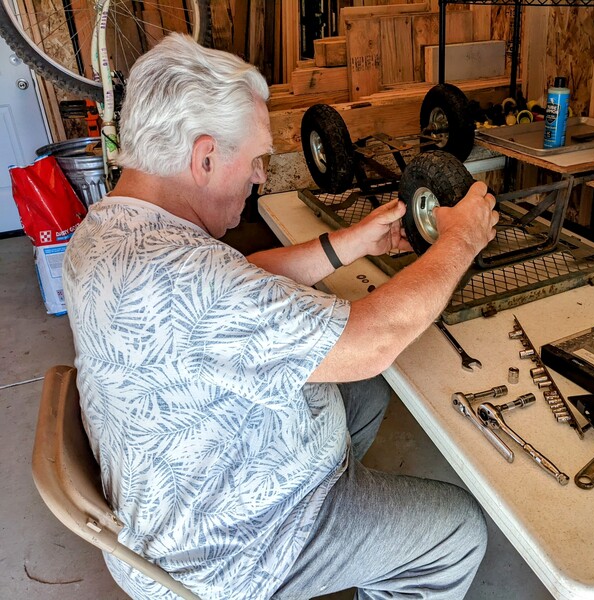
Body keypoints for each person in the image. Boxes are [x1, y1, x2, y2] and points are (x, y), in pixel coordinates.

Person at [62, 33, 499, 600]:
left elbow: (239, 273)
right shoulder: (180, 278)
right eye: (258, 160)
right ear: (205, 156)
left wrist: (350, 243)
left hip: (196, 483)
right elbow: (373, 337)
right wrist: (460, 242)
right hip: (232, 547)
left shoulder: (114, 226)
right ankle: (359, 539)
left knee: (365, 391)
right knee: (456, 531)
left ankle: (354, 517)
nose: (261, 177)